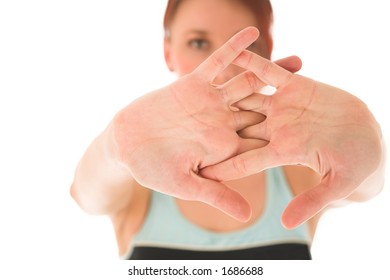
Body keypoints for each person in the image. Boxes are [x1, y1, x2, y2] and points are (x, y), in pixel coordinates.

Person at [70, 0, 385, 260]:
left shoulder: (293, 167)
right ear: (168, 51)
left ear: (267, 49)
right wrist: (115, 143)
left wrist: (374, 151)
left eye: (244, 46)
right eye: (198, 42)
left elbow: (359, 188)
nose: (222, 64)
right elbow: (86, 197)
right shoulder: (143, 166)